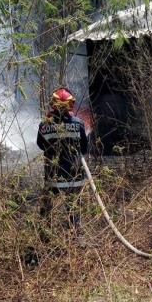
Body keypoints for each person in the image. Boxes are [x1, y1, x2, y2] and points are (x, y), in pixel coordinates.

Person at [37, 87, 88, 234]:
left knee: (47, 206)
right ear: (70, 105)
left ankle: (44, 234)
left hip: (52, 176)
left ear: (53, 104)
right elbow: (84, 148)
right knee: (73, 207)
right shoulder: (78, 124)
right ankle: (76, 235)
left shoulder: (44, 125)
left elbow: (41, 145)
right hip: (74, 177)